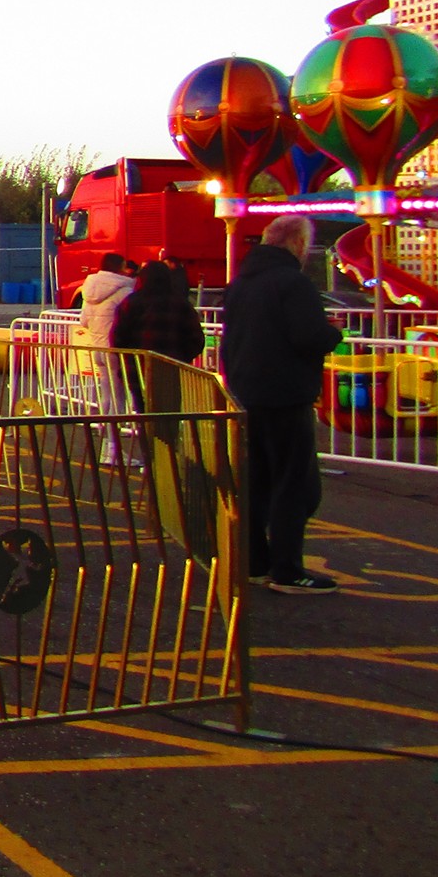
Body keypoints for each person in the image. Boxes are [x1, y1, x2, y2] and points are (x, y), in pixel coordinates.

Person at [221, 215, 344, 594]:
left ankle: (256, 560)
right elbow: (309, 336)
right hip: (286, 392)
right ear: (297, 244)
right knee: (295, 484)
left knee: (256, 480)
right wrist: (333, 332)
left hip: (246, 392)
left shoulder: (241, 283)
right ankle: (287, 567)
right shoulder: (294, 283)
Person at [111, 259, 206, 414]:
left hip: (139, 371)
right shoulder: (181, 304)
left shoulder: (131, 302)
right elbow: (196, 339)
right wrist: (181, 358)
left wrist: (128, 360)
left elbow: (118, 337)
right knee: (168, 417)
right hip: (171, 369)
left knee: (144, 416)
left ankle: (146, 437)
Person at [76, 253, 136, 347]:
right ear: (121, 267)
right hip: (117, 349)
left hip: (97, 348)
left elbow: (84, 321)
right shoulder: (126, 291)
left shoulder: (90, 288)